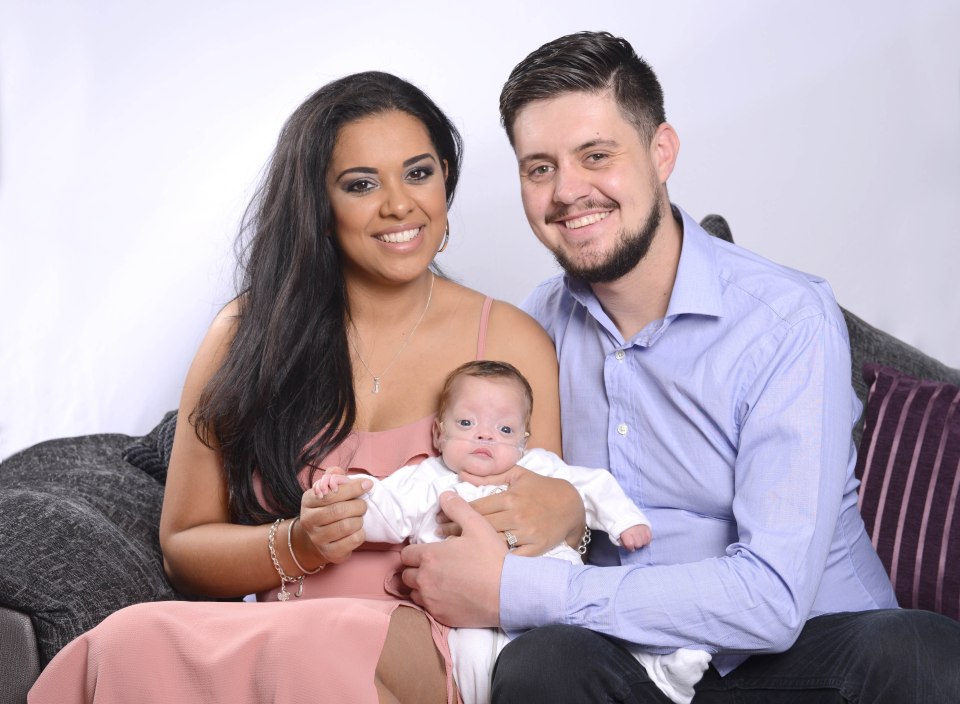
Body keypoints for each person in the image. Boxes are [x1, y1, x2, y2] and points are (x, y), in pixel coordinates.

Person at [399, 31, 960, 703]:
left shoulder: (786, 319)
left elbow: (772, 599)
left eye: (596, 155)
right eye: (539, 168)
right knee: (541, 665)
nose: (568, 192)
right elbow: (512, 491)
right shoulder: (533, 330)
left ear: (661, 152)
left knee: (922, 652)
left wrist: (518, 591)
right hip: (633, 666)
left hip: (807, 657)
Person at [28, 71, 586, 704]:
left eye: (419, 173)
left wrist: (567, 515)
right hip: (274, 628)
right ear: (318, 204)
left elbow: (535, 526)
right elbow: (184, 545)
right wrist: (297, 543)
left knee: (333, 635)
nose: (399, 204)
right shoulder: (245, 333)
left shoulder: (508, 341)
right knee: (125, 637)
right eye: (361, 184)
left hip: (435, 643)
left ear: (447, 180)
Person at [319, 360, 709, 704]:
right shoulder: (430, 478)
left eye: (503, 429)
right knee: (467, 657)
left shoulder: (540, 468)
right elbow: (386, 510)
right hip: (466, 612)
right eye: (467, 423)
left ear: (523, 442)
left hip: (549, 593)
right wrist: (345, 495)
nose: (484, 436)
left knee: (593, 629)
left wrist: (624, 521)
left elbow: (592, 485)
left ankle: (658, 674)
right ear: (439, 434)